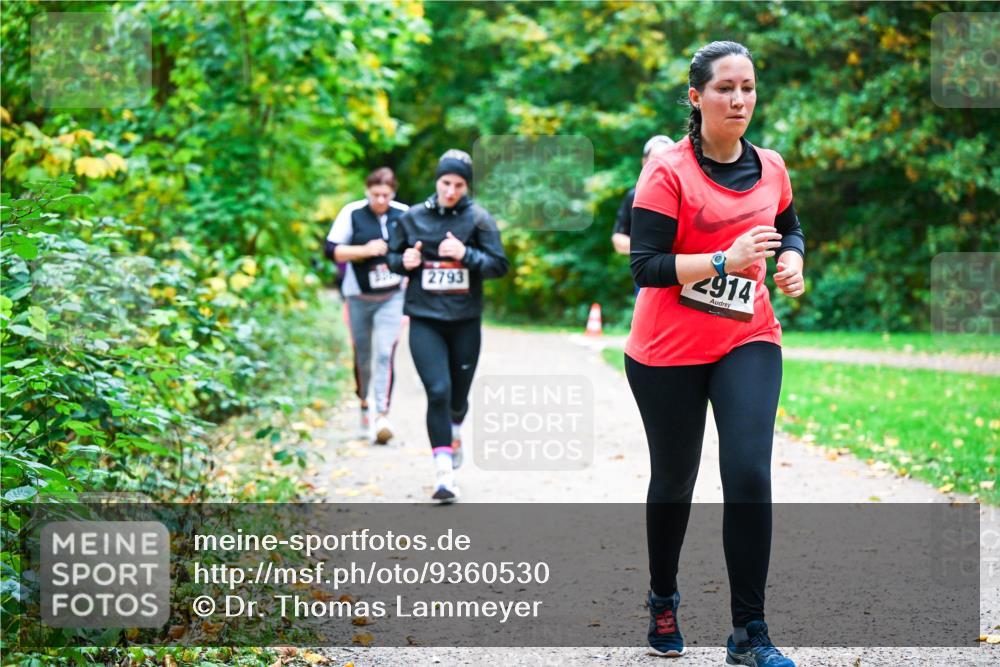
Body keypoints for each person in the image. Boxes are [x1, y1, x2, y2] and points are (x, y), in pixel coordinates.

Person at [625, 41, 805, 666]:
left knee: (750, 472)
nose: (739, 99)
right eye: (726, 88)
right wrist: (725, 260)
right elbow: (645, 267)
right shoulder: (667, 171)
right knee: (675, 479)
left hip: (746, 338)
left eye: (748, 87)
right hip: (666, 350)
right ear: (697, 98)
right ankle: (663, 596)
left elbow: (790, 223)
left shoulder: (772, 166)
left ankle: (749, 632)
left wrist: (792, 262)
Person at [387, 149, 509, 503]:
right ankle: (444, 475)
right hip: (425, 319)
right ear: (436, 182)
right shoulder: (412, 219)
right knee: (437, 391)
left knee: (457, 399)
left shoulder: (479, 219)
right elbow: (392, 258)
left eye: (458, 184)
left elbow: (499, 265)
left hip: (464, 322)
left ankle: (455, 427)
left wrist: (465, 255)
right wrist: (404, 260)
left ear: (466, 185)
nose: (451, 191)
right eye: (446, 183)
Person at [325, 167, 408, 445]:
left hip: (392, 296)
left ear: (393, 193)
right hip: (358, 295)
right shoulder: (352, 213)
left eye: (386, 194)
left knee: (385, 352)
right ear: (367, 191)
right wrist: (364, 251)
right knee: (363, 354)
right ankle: (364, 403)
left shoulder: (404, 214)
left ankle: (382, 415)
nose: (381, 200)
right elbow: (332, 250)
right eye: (376, 194)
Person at [611, 134, 675, 260]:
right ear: (644, 162)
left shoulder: (687, 195)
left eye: (668, 158)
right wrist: (648, 249)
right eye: (656, 158)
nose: (662, 164)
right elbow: (618, 239)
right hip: (646, 275)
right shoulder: (634, 196)